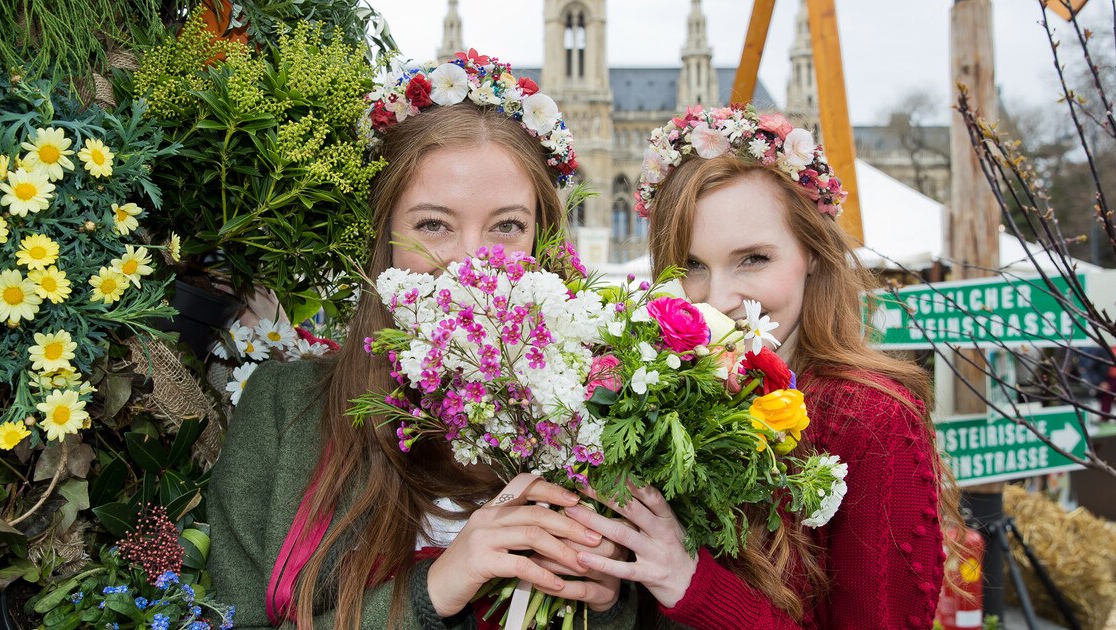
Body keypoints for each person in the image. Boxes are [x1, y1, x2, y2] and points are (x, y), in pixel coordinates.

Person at [207, 52, 636, 629]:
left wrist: (604, 604)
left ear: (542, 239)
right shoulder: (285, 409)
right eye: (433, 224)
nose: (469, 262)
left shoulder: (598, 416)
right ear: (383, 235)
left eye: (506, 226)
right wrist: (434, 590)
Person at [564, 105, 957, 629]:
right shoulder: (653, 394)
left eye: (753, 259)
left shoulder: (872, 420)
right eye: (692, 265)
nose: (720, 299)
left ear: (811, 252)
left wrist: (692, 584)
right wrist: (608, 599)